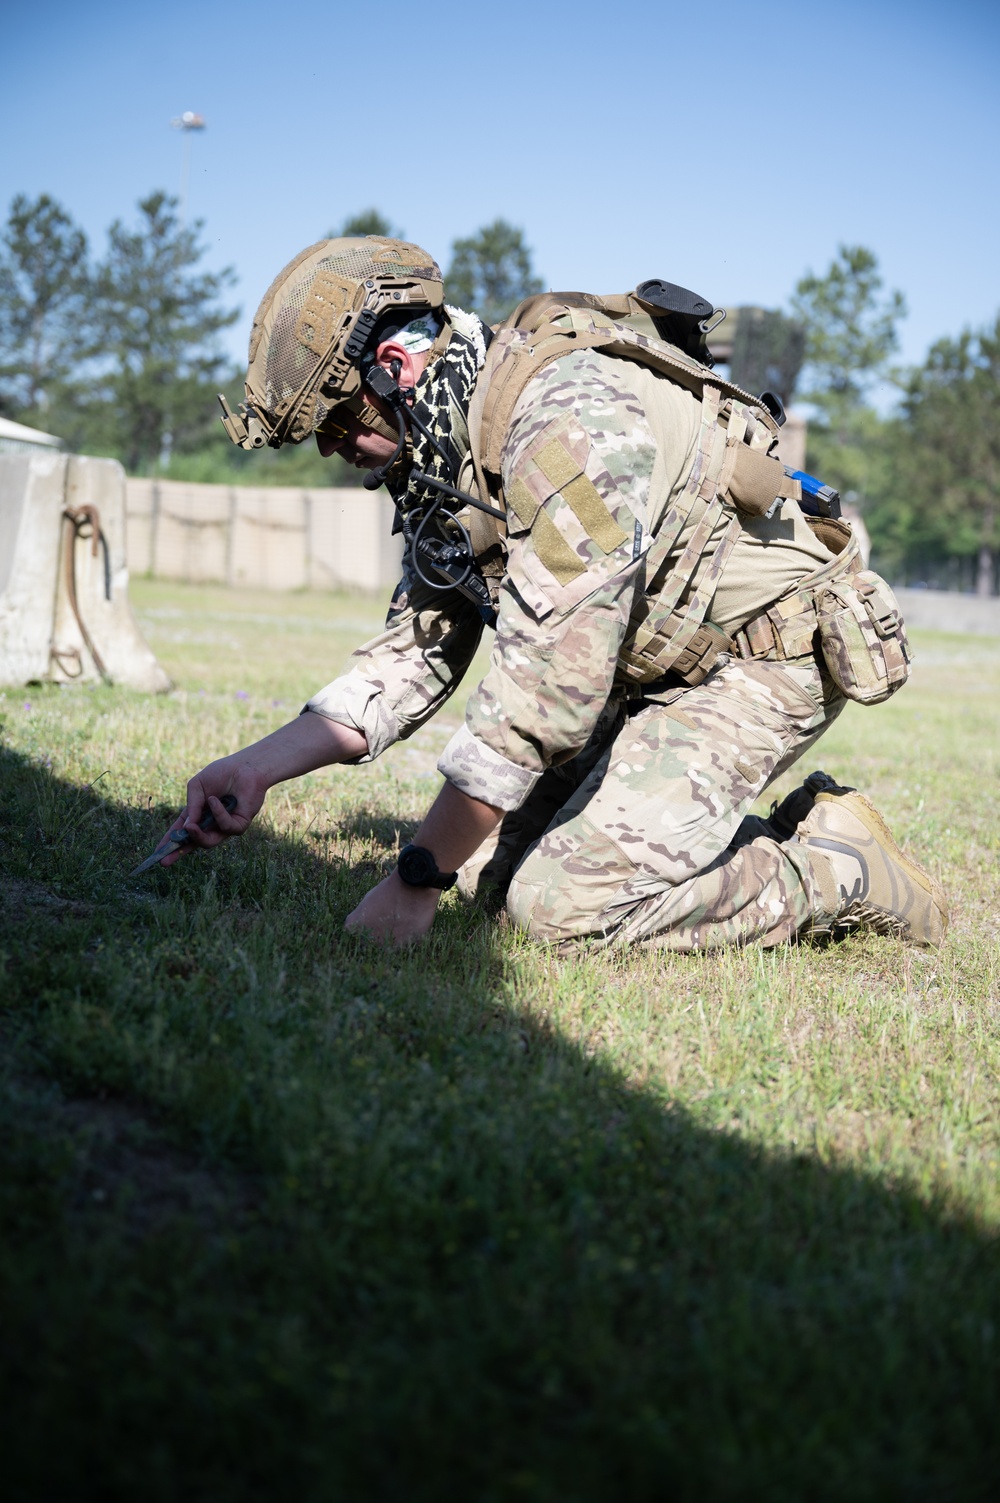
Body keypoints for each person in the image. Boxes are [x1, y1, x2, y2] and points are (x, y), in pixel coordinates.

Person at [161, 236, 947, 951]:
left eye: (338, 428)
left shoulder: (567, 424)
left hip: (762, 654)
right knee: (494, 885)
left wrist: (413, 883)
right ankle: (684, 831)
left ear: (394, 370)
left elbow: (541, 699)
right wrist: (257, 766)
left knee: (560, 909)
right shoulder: (455, 452)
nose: (341, 457)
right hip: (655, 660)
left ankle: (836, 869)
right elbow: (416, 654)